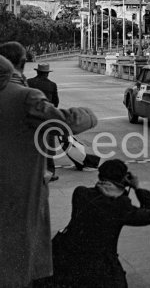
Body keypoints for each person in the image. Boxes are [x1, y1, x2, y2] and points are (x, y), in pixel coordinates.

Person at [0, 45, 97, 288]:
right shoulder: (24, 95)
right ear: (22, 63)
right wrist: (88, 114)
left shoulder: (27, 86)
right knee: (19, 256)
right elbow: (62, 119)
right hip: (18, 192)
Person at [52, 159, 150, 287]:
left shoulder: (80, 193)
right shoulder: (120, 205)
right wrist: (137, 188)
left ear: (99, 176)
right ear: (124, 180)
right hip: (99, 266)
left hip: (66, 260)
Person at [28, 63, 61, 182]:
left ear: (37, 72)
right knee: (49, 147)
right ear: (47, 73)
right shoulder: (52, 85)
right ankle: (50, 173)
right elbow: (56, 103)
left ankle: (32, 172)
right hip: (47, 118)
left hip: (32, 118)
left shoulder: (29, 82)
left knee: (32, 145)